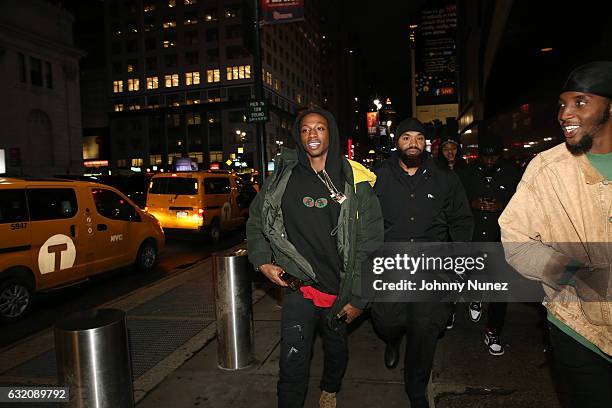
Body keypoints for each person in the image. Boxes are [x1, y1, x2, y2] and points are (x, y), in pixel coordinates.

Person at [246, 108, 383, 408]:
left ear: (330, 134)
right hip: (299, 286)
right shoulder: (282, 178)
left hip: (340, 290)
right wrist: (262, 260)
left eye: (320, 128)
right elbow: (257, 221)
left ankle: (330, 387)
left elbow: (371, 246)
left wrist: (360, 298)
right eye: (306, 129)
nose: (312, 135)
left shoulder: (356, 182)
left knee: (336, 350)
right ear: (298, 135)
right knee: (292, 360)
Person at [499, 61, 612, 407]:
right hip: (577, 328)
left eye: (580, 102)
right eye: (562, 104)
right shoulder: (547, 169)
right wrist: (572, 273)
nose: (565, 114)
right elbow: (515, 239)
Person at [371, 117, 473, 408]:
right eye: (406, 138)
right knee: (388, 320)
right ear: (397, 142)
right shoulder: (379, 176)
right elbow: (365, 221)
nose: (412, 143)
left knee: (424, 329)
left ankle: (416, 390)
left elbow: (461, 220)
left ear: (426, 143)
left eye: (418, 138)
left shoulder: (445, 178)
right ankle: (391, 340)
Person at [459, 136, 521, 355]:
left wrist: (502, 205)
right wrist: (472, 203)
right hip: (474, 236)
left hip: (500, 238)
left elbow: (523, 202)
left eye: (493, 157)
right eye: (485, 157)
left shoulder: (512, 173)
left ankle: (493, 330)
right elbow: (454, 202)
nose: (489, 161)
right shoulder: (466, 173)